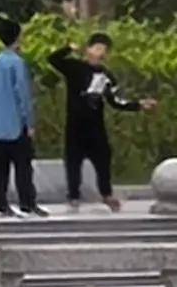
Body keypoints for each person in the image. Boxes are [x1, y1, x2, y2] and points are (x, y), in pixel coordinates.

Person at [46, 30, 154, 211]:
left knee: (103, 157)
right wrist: (68, 48)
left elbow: (116, 101)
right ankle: (73, 196)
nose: (100, 53)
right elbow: (53, 60)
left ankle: (106, 194)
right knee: (73, 161)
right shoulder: (75, 68)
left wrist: (138, 105)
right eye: (96, 48)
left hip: (95, 126)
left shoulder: (107, 76)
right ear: (88, 50)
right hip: (75, 125)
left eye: (103, 50)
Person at [0, 29, 44, 216]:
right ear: (17, 39)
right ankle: (27, 202)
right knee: (23, 166)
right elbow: (22, 94)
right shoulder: (17, 63)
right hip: (15, 124)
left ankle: (0, 203)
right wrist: (30, 122)